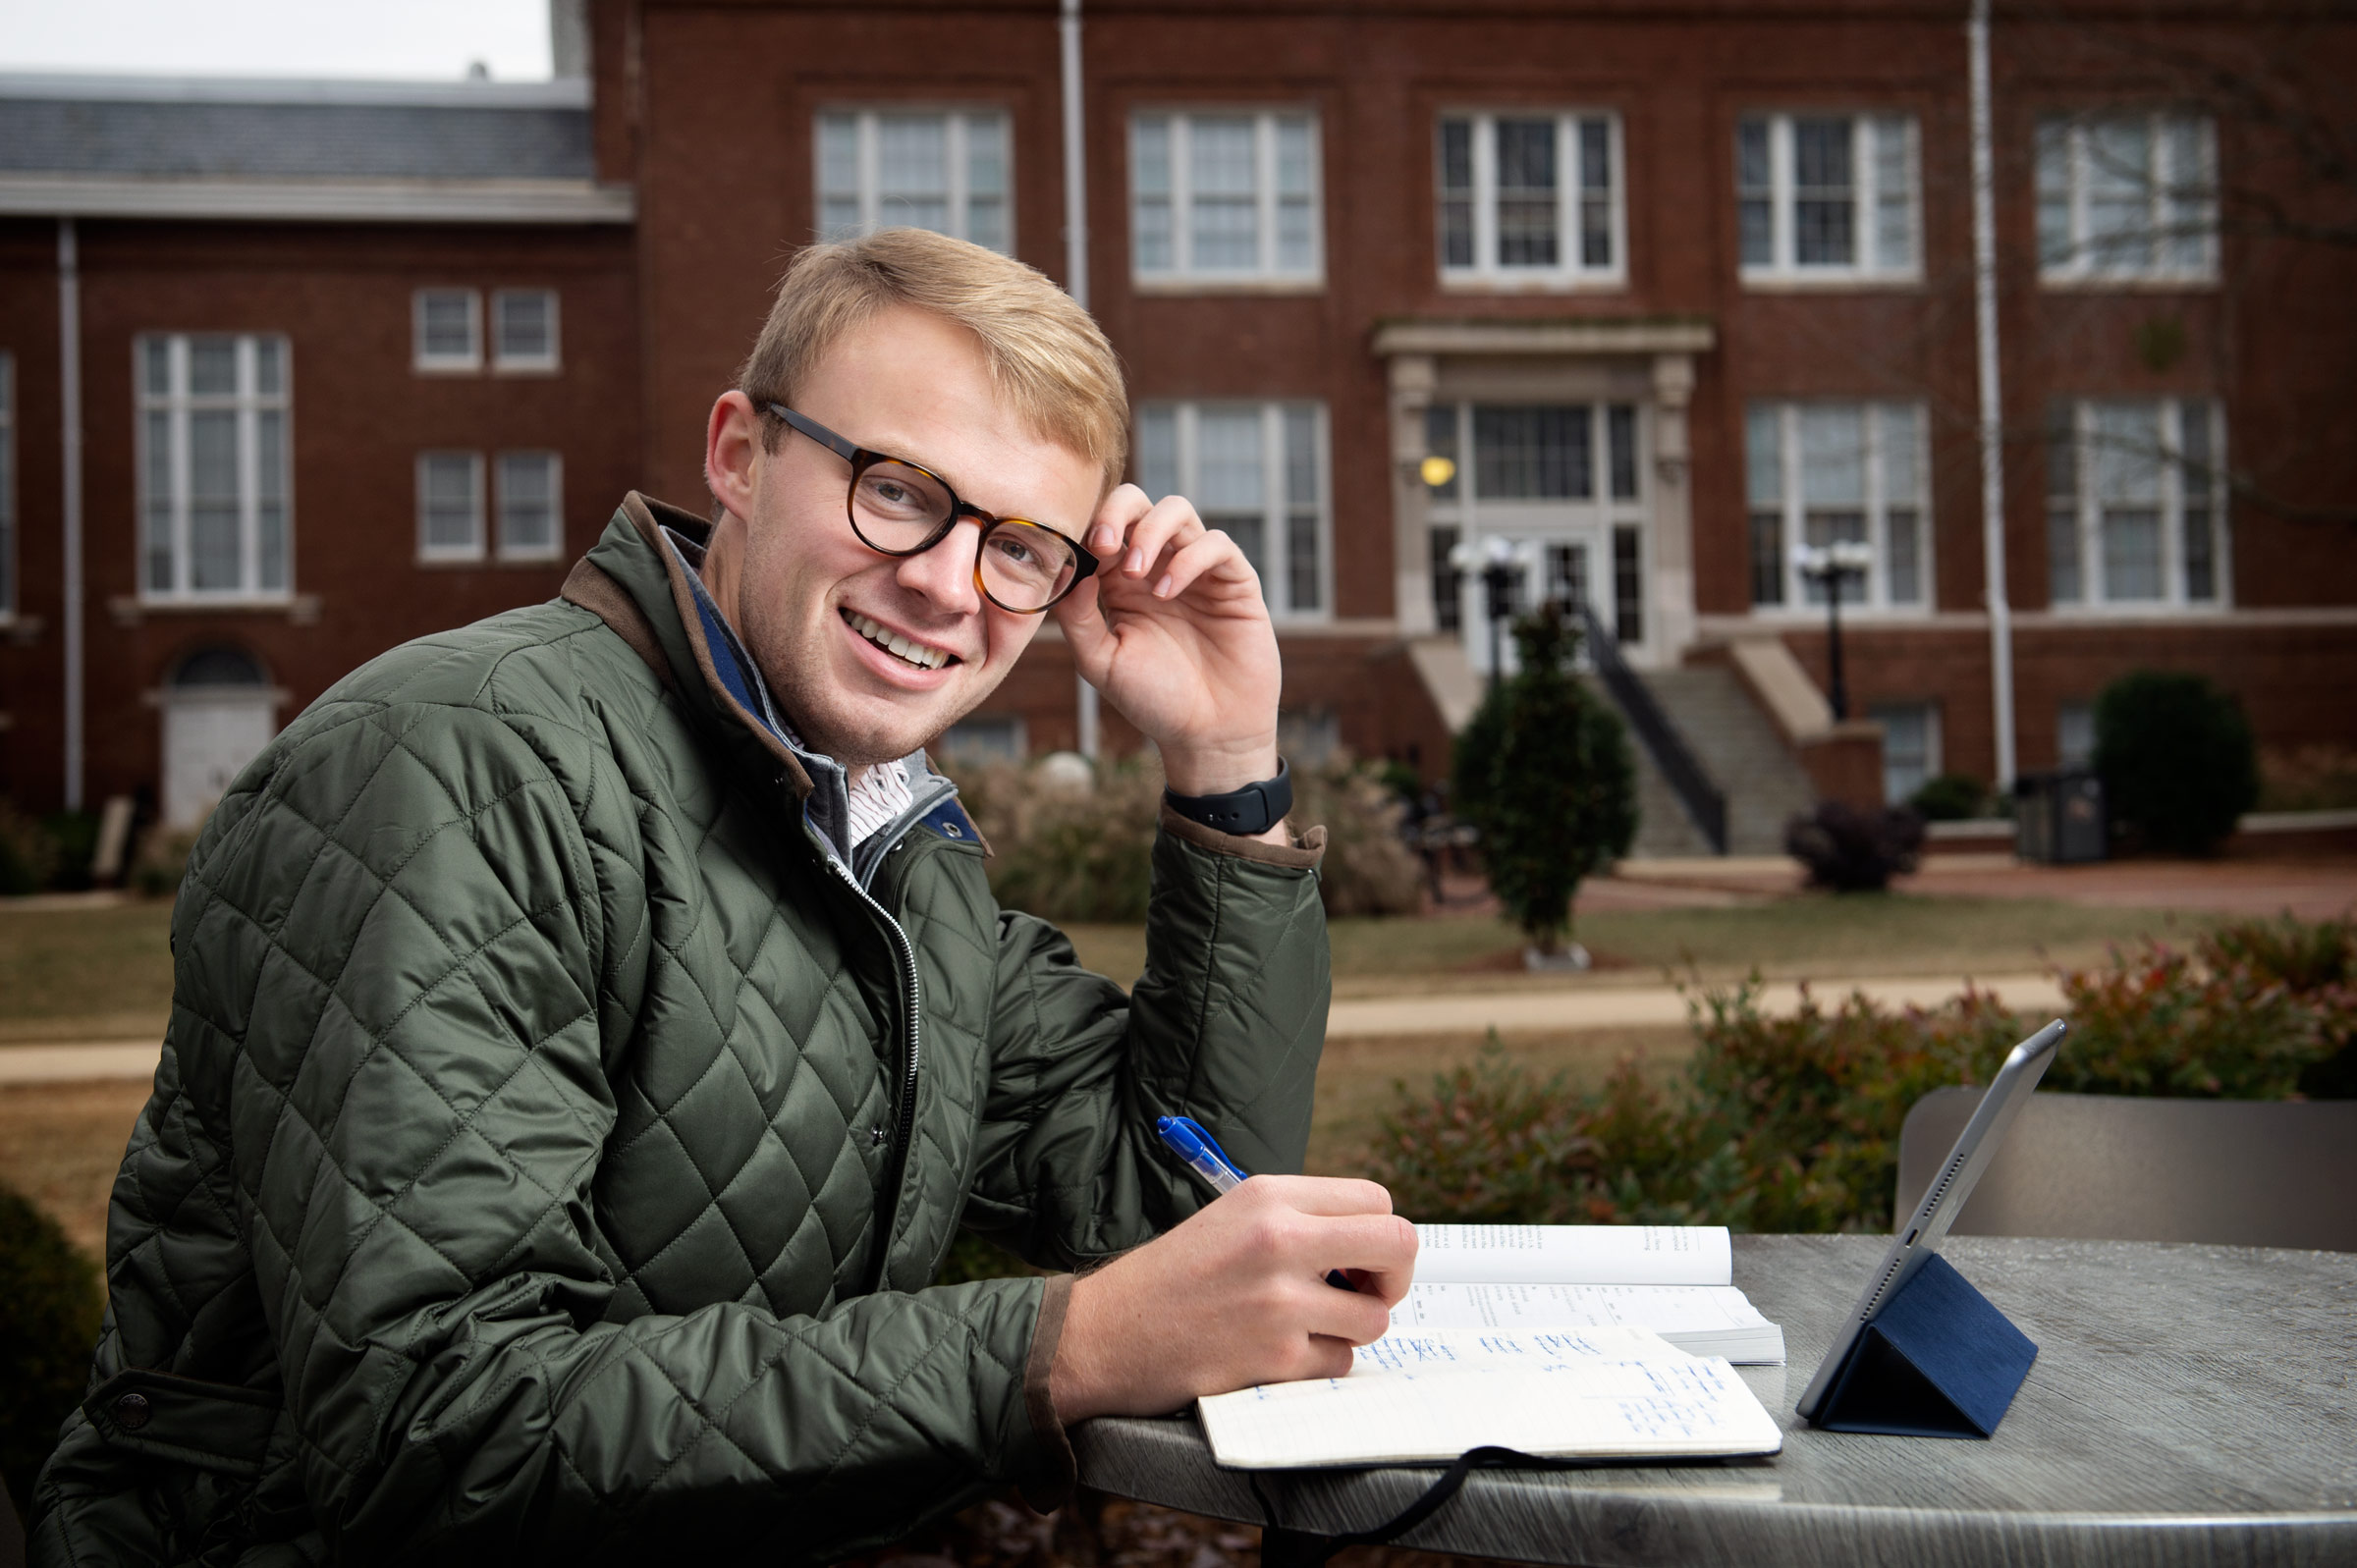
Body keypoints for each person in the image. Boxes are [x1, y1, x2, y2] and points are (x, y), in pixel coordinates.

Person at [28, 229, 1417, 1565]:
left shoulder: (884, 838)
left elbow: (1181, 1213)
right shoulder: (456, 769)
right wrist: (1061, 1346)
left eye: (1021, 546)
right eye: (899, 488)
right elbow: (443, 1432)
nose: (948, 585)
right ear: (741, 454)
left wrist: (1225, 764)